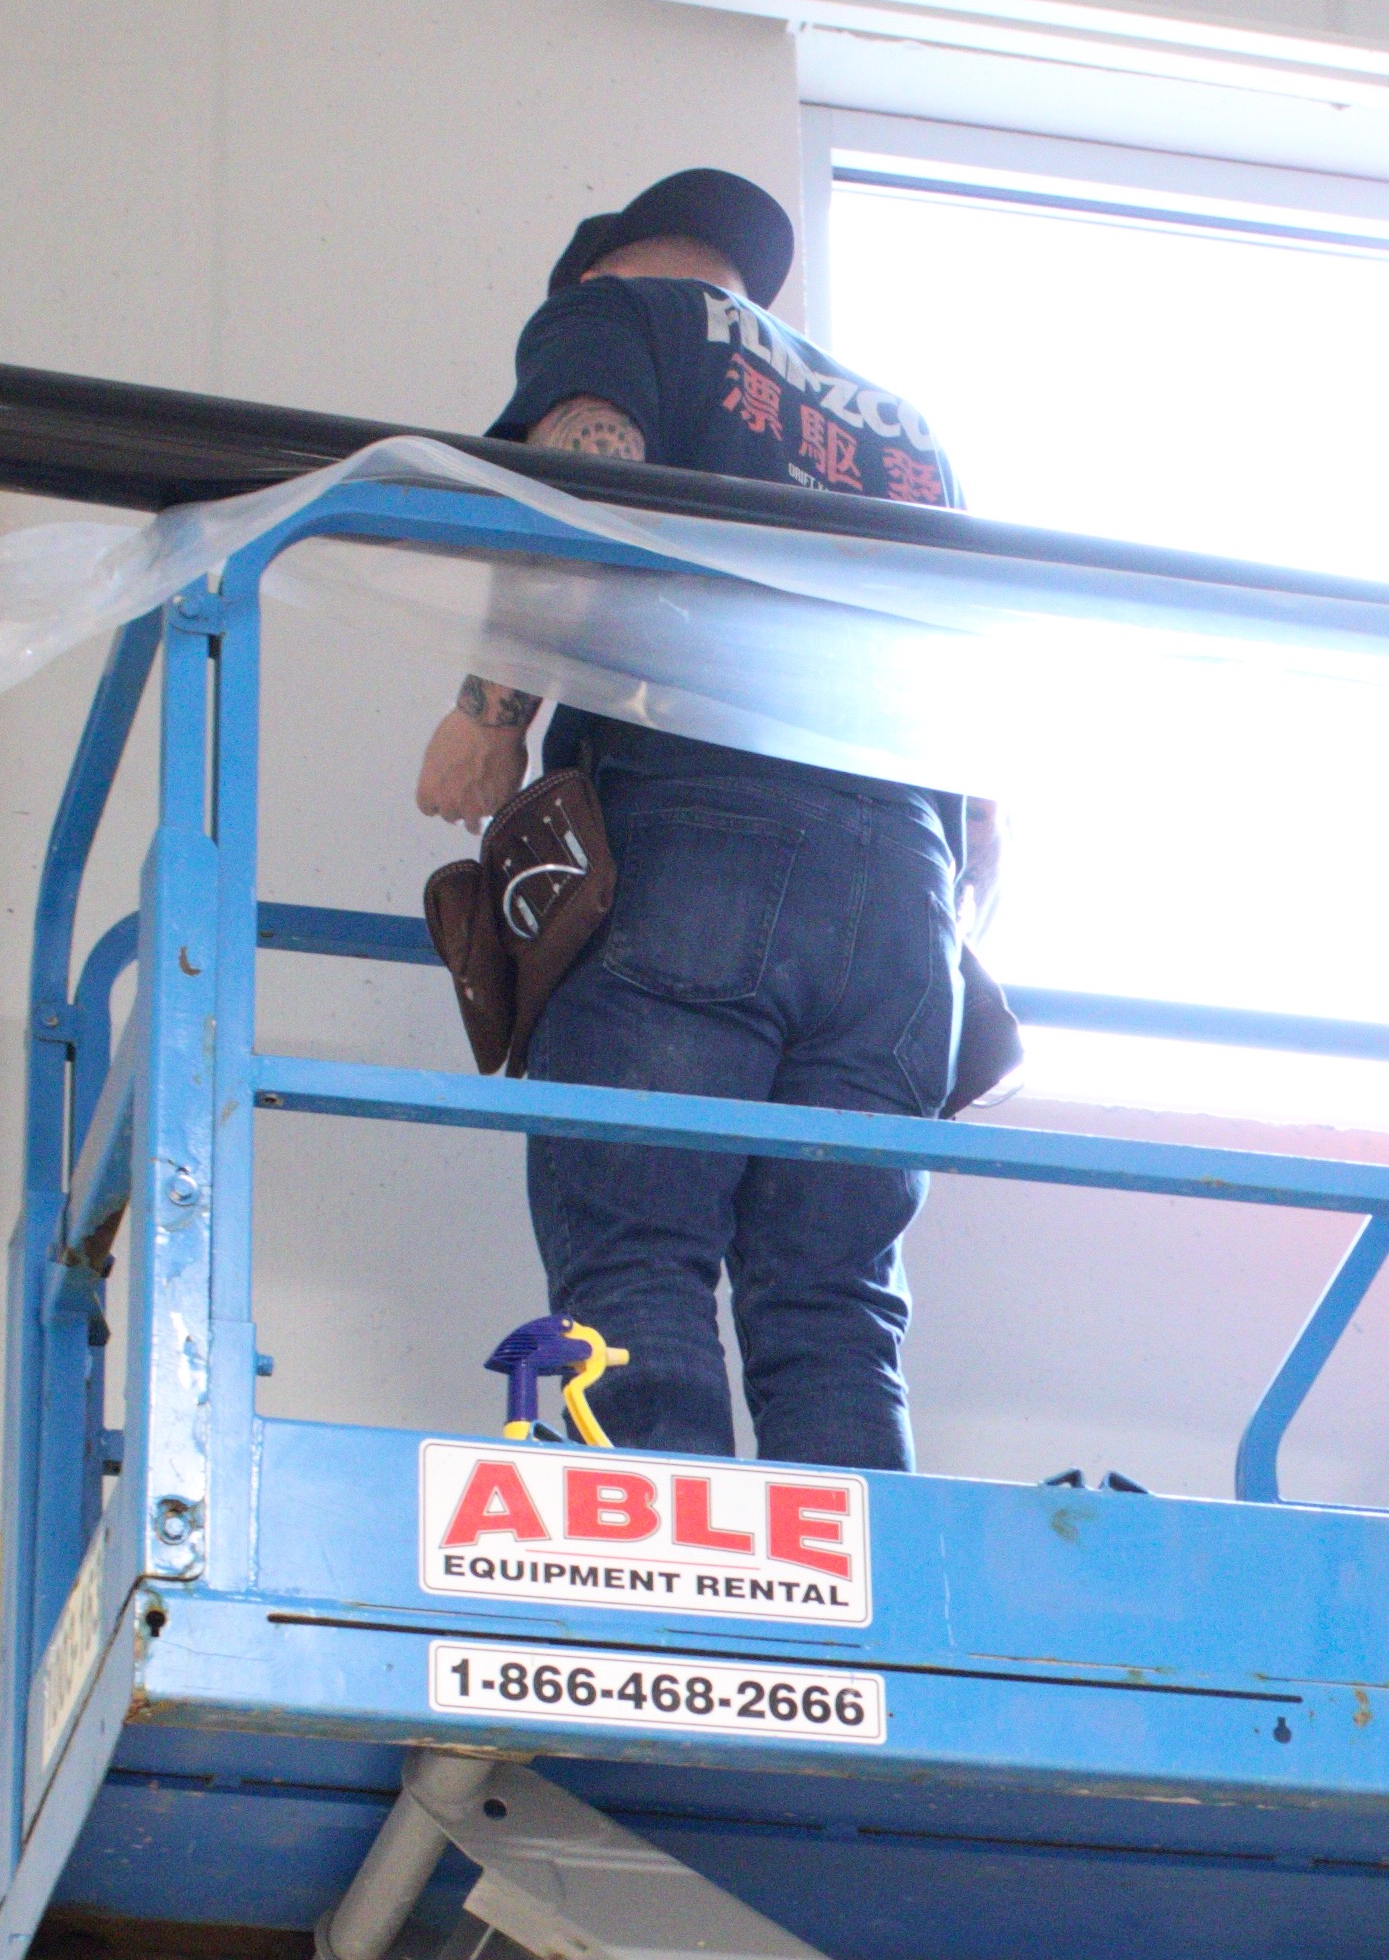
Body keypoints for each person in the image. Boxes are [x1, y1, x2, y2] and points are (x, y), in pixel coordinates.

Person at [417, 165, 977, 1469]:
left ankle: (669, 1585)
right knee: (834, 1308)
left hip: (700, 822)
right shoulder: (906, 434)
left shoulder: (622, 316)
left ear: (600, 270)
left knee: (639, 1258)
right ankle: (856, 1593)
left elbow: (581, 482)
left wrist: (491, 710)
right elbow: (964, 667)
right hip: (908, 890)